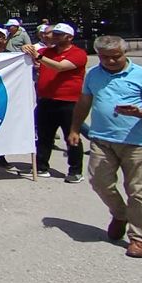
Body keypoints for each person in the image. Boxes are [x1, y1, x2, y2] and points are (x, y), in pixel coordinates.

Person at [71, 36, 142, 258]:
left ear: (125, 53)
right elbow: (84, 102)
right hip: (102, 139)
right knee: (98, 181)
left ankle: (138, 238)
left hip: (137, 143)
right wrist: (74, 128)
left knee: (137, 191)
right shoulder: (93, 74)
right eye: (105, 57)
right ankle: (120, 213)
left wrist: (140, 112)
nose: (111, 61)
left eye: (116, 57)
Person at [22, 23, 88, 181]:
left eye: (59, 34)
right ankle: (41, 166)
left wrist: (38, 57)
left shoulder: (78, 53)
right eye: (54, 33)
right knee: (44, 136)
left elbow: (60, 67)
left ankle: (75, 171)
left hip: (69, 102)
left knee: (71, 138)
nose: (55, 36)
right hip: (46, 100)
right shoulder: (47, 51)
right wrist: (26, 48)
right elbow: (29, 54)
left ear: (69, 37)